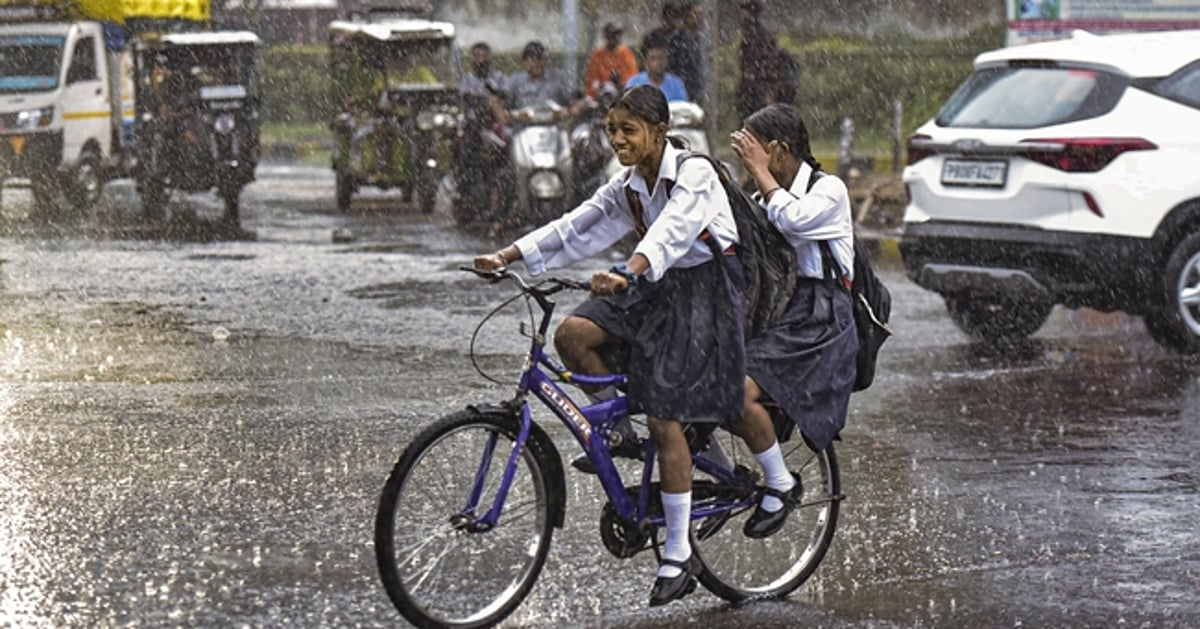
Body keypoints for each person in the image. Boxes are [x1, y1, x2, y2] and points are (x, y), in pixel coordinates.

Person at [473, 85, 790, 607]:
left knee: (666, 417)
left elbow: (674, 229)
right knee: (573, 336)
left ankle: (679, 553)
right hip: (657, 285)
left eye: (628, 131)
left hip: (709, 290)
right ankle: (620, 430)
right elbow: (580, 223)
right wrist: (507, 255)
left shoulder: (695, 173)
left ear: (659, 133)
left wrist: (630, 270)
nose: (617, 141)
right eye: (611, 131)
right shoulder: (630, 184)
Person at [728, 103, 858, 537]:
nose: (748, 161)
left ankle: (780, 484)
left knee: (737, 389)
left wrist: (761, 176)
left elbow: (793, 221)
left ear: (779, 152)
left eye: (754, 151)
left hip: (820, 316)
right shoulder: (761, 194)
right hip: (781, 310)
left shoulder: (829, 191)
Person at [505, 40, 581, 114]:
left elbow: (575, 99)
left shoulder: (558, 78)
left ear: (546, 61)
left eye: (541, 59)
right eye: (533, 60)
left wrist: (575, 108)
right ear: (525, 62)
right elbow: (502, 101)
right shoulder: (515, 80)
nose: (537, 64)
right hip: (523, 125)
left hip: (553, 125)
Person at [736, 0, 780, 121]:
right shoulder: (751, 35)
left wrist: (768, 91)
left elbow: (768, 64)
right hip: (751, 89)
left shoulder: (758, 37)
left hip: (757, 89)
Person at [582, 22, 638, 100]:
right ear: (606, 36)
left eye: (618, 34)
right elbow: (591, 80)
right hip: (600, 96)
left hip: (621, 96)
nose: (615, 37)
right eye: (612, 34)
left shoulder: (626, 53)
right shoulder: (598, 54)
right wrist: (599, 87)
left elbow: (632, 80)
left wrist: (619, 84)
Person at [624, 35, 688, 103]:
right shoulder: (634, 83)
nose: (658, 62)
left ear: (667, 60)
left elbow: (683, 107)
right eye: (653, 58)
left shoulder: (676, 84)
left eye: (661, 57)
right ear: (646, 62)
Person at [666, 0, 704, 106]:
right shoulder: (675, 40)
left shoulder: (702, 39)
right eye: (696, 14)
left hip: (699, 90)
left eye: (700, 14)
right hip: (681, 90)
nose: (699, 17)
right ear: (687, 17)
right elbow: (672, 67)